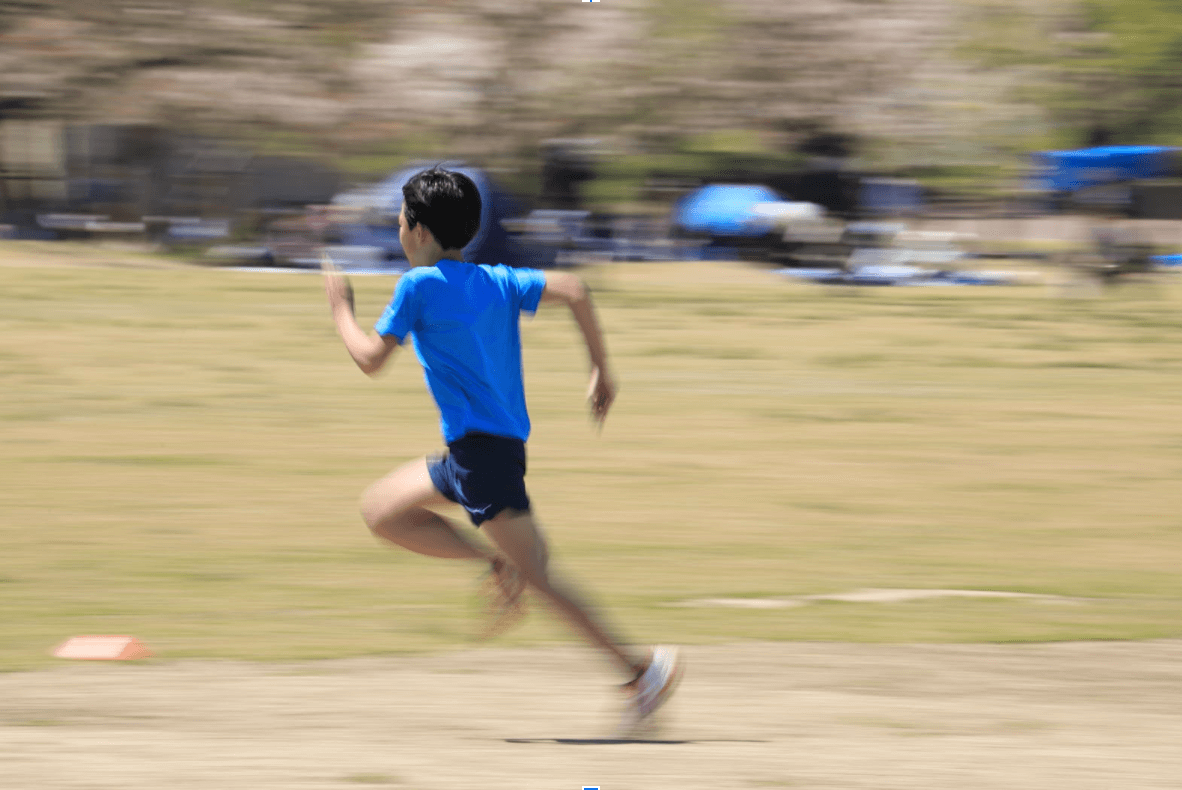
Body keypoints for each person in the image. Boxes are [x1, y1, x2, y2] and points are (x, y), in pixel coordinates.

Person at [321, 166, 681, 729]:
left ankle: (641, 672)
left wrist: (340, 307)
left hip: (480, 460)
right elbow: (576, 290)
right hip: (478, 455)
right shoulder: (498, 280)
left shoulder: (418, 286)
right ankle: (497, 563)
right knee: (382, 511)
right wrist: (600, 372)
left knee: (539, 576)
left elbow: (370, 358)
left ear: (416, 231)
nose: (397, 229)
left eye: (399, 220)